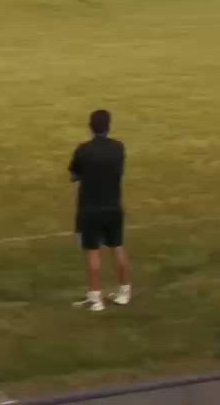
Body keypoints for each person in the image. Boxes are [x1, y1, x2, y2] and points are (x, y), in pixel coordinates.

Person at [69, 110, 132, 312]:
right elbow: (119, 172)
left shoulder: (84, 150)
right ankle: (125, 292)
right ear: (109, 126)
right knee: (118, 247)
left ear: (90, 126)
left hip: (91, 207)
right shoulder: (118, 148)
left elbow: (74, 175)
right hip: (113, 206)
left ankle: (95, 298)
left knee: (93, 252)